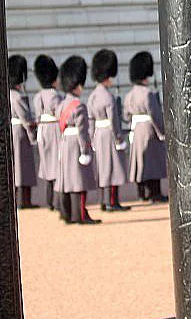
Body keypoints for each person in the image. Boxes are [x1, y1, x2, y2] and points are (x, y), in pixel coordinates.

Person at [56, 56, 100, 224]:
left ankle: (67, 214)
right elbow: (83, 131)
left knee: (67, 180)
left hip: (65, 143)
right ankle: (80, 215)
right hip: (75, 144)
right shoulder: (79, 106)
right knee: (79, 181)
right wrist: (85, 150)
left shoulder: (61, 104)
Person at [89, 49, 129, 212]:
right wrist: (119, 138)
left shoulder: (92, 96)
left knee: (103, 168)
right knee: (114, 167)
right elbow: (114, 121)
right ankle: (113, 201)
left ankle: (103, 202)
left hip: (98, 133)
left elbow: (90, 119)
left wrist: (91, 138)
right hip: (109, 134)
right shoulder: (108, 97)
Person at [126, 51, 168, 203]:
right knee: (153, 163)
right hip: (149, 129)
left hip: (136, 129)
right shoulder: (148, 94)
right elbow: (155, 114)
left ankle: (141, 193)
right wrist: (162, 132)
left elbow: (126, 115)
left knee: (139, 162)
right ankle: (154, 193)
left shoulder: (129, 95)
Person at [32, 55, 64, 213]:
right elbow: (60, 114)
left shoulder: (38, 96)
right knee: (57, 164)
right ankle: (58, 201)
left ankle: (49, 200)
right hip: (54, 130)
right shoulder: (55, 95)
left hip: (43, 130)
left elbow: (37, 116)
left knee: (47, 164)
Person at [8, 54, 40, 209]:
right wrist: (33, 136)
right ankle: (24, 201)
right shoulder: (18, 97)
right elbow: (26, 119)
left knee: (15, 167)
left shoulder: (8, 95)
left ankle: (17, 200)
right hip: (20, 133)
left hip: (12, 131)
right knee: (23, 168)